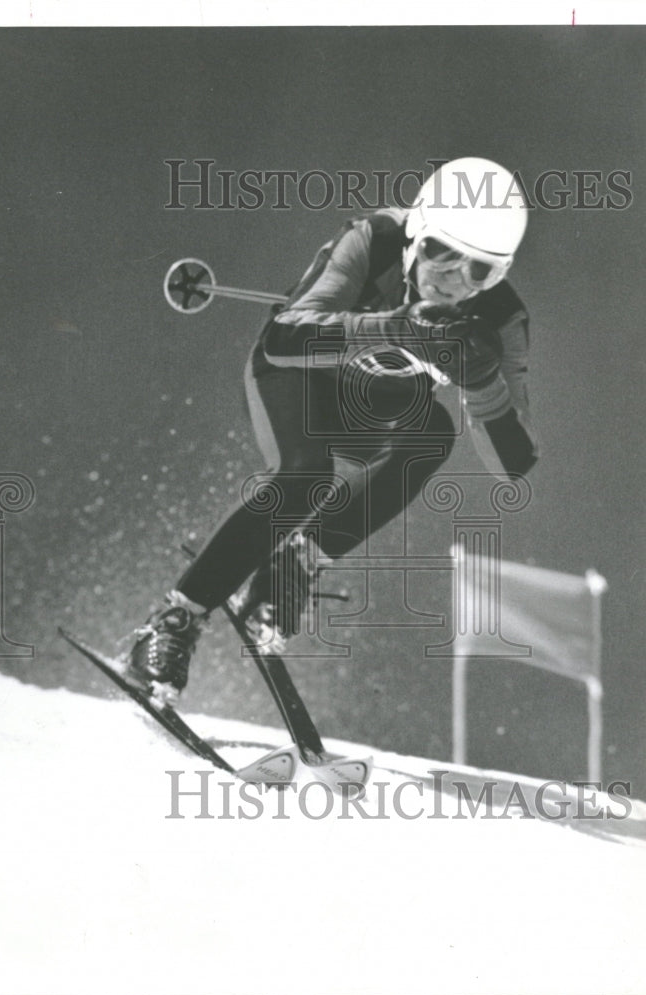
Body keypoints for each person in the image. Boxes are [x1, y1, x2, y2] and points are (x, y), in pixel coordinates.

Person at [126, 157, 540, 706]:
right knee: (307, 477)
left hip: (371, 408)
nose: (454, 279)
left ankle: (295, 562)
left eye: (480, 270)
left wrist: (482, 379)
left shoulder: (501, 318)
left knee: (435, 431)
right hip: (294, 380)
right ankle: (173, 622)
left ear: (500, 273)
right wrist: (398, 328)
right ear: (417, 233)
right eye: (443, 251)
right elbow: (284, 340)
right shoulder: (374, 238)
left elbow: (513, 464)